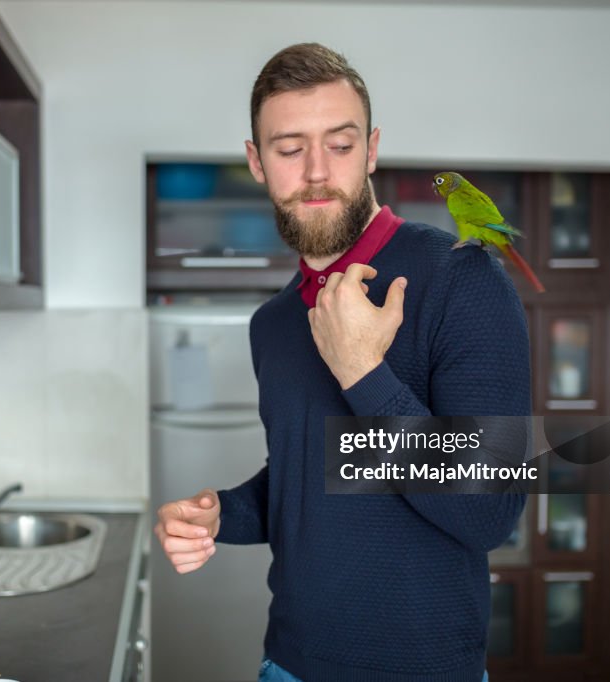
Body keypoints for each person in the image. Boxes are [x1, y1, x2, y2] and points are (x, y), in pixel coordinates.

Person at [154, 43, 530, 682]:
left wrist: (364, 373)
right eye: (290, 148)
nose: (317, 172)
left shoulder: (463, 281)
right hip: (287, 666)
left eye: (341, 143)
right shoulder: (273, 323)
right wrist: (223, 512)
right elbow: (310, 478)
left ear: (373, 149)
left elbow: (490, 511)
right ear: (256, 161)